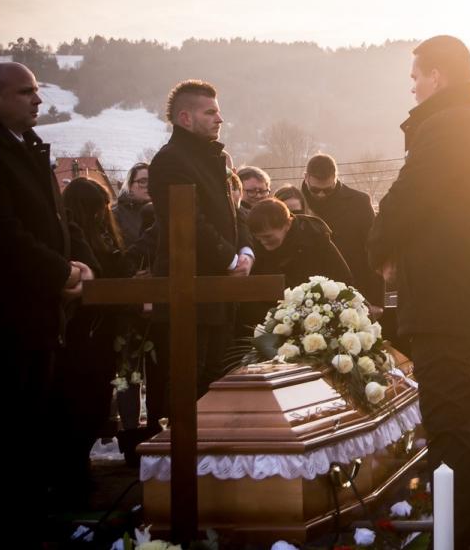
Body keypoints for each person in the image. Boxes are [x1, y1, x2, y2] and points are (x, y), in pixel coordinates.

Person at [0, 62, 94, 547]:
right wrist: (59, 271)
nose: (37, 100)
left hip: (34, 318)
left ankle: (28, 525)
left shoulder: (24, 148)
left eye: (37, 91)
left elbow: (46, 221)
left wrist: (70, 262)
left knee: (29, 439)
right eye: (25, 91)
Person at [367, 35, 470, 549]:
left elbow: (409, 199)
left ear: (439, 76)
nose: (412, 85)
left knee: (452, 423)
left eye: (416, 76)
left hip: (448, 302)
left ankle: (460, 531)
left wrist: (379, 246)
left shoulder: (447, 127)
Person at [148, 79, 253, 405]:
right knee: (187, 393)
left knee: (217, 390)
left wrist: (246, 250)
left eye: (218, 113)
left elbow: (235, 213)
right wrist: (231, 260)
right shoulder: (171, 160)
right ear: (185, 118)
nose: (219, 120)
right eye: (210, 113)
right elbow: (190, 223)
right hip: (190, 297)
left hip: (219, 297)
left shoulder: (216, 159)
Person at [51, 177, 139, 506]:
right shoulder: (73, 237)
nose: (106, 213)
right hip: (79, 338)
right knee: (77, 406)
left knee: (97, 404)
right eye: (99, 207)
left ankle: (77, 467)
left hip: (103, 334)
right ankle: (72, 472)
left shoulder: (105, 236)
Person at [239, 198, 352, 330]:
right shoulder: (253, 245)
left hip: (316, 317)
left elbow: (342, 277)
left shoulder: (315, 239)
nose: (262, 242)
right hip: (268, 319)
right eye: (258, 238)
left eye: (268, 237)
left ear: (287, 224)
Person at [301, 154, 384, 308]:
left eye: (327, 190)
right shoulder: (295, 201)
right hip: (306, 293)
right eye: (315, 190)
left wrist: (377, 301)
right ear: (306, 177)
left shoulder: (359, 202)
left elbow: (373, 249)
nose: (321, 195)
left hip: (354, 290)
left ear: (336, 178)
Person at [113, 162, 151, 247]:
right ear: (129, 186)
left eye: (152, 180)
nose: (149, 185)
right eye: (143, 181)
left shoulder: (160, 211)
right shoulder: (115, 214)